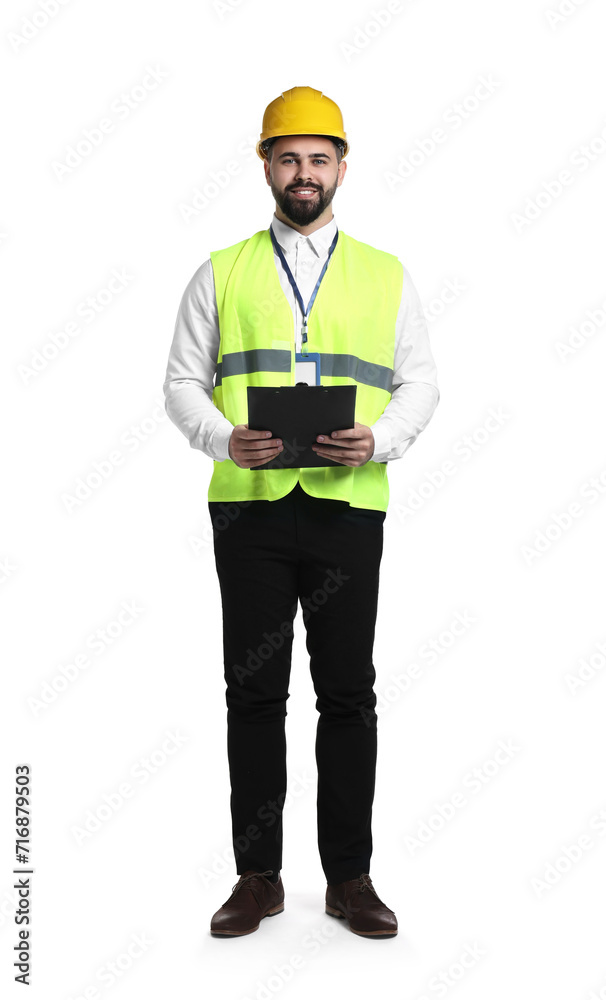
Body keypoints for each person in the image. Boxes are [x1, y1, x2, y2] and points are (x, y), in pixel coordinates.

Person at [163, 86, 440, 938]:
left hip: (347, 508)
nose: (304, 172)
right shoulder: (222, 269)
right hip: (247, 508)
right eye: (288, 157)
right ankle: (258, 877)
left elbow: (421, 382)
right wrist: (221, 438)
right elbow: (181, 382)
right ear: (265, 165)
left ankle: (349, 878)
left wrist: (382, 440)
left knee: (348, 695)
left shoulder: (387, 274)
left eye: (320, 158)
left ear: (343, 167)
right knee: (252, 694)